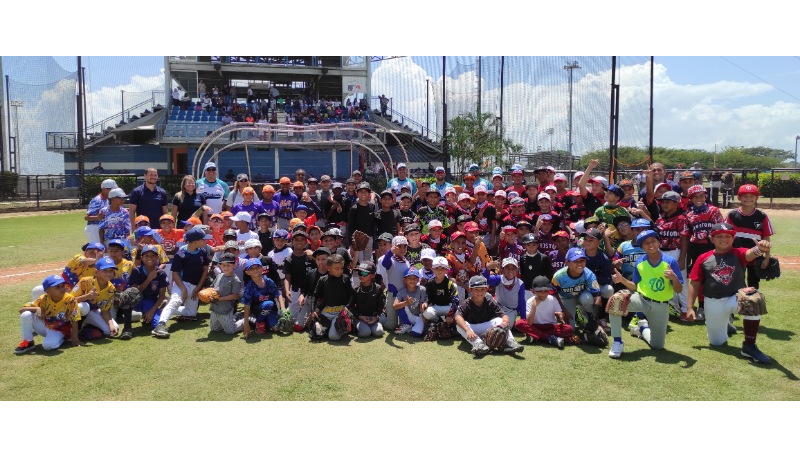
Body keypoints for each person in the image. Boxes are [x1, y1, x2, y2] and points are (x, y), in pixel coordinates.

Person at [687, 223, 773, 363]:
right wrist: (690, 307)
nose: (724, 239)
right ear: (711, 239)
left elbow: (750, 254)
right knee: (716, 342)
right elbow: (694, 283)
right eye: (719, 236)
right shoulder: (703, 258)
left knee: (753, 300)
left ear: (733, 239)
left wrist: (760, 249)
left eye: (728, 236)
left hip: (735, 298)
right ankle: (725, 322)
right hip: (713, 301)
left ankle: (749, 346)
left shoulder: (738, 253)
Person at [607, 229, 684, 358]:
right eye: (646, 243)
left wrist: (674, 278)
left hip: (661, 305)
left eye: (653, 241)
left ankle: (642, 328)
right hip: (641, 299)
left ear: (659, 242)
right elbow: (636, 286)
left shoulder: (670, 262)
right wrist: (622, 280)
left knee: (658, 346)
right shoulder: (640, 262)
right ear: (642, 246)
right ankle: (617, 342)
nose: (650, 245)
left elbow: (678, 290)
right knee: (616, 302)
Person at [152, 228, 213, 338]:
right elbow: (175, 274)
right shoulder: (181, 254)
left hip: (195, 286)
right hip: (182, 284)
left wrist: (198, 288)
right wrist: (184, 289)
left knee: (191, 313)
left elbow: (205, 270)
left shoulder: (202, 252)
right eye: (203, 240)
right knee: (175, 301)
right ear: (195, 242)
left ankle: (165, 308)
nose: (205, 242)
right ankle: (160, 325)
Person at [454, 275, 524, 357]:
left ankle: (510, 342)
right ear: (470, 290)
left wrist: (505, 322)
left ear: (487, 289)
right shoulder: (467, 303)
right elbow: (457, 317)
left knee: (500, 320)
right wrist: (468, 330)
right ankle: (479, 344)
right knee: (459, 326)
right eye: (476, 289)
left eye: (482, 289)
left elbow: (503, 315)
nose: (479, 292)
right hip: (472, 330)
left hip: (487, 329)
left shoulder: (490, 301)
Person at [15, 275, 82, 354]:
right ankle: (28, 342)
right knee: (26, 314)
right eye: (57, 287)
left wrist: (75, 339)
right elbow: (21, 310)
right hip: (44, 326)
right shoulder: (43, 298)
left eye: (63, 286)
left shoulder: (70, 299)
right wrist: (37, 308)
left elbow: (74, 320)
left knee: (47, 346)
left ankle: (62, 338)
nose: (62, 289)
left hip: (60, 330)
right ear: (47, 290)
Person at [725, 184, 774, 290]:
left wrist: (767, 257)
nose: (748, 199)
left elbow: (766, 238)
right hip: (736, 255)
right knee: (735, 282)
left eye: (751, 196)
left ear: (756, 198)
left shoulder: (762, 216)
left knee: (753, 284)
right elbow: (725, 236)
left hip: (756, 255)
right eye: (745, 196)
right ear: (739, 197)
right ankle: (735, 305)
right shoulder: (732, 215)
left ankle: (753, 305)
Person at [514, 275, 577, 348]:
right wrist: (534, 306)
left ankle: (536, 336)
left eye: (546, 291)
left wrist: (560, 316)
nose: (543, 294)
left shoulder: (552, 299)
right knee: (519, 323)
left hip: (550, 327)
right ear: (533, 291)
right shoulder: (530, 301)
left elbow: (560, 314)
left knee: (568, 328)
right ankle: (548, 338)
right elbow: (529, 323)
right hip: (535, 326)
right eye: (540, 291)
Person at [124, 245, 168, 338]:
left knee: (156, 324)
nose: (150, 258)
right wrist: (149, 279)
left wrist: (151, 311)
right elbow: (135, 292)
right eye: (146, 256)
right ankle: (127, 329)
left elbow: (161, 296)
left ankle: (150, 317)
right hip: (135, 301)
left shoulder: (161, 274)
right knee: (127, 297)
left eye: (153, 256)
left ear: (157, 257)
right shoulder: (137, 271)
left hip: (150, 302)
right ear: (142, 258)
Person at [309, 254, 355, 340]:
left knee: (333, 337)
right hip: (326, 312)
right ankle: (328, 326)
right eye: (337, 269)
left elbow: (352, 294)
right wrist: (313, 310)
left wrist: (347, 307)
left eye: (341, 268)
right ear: (328, 268)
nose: (340, 271)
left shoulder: (345, 279)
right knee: (316, 334)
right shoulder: (323, 280)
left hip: (340, 313)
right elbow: (315, 295)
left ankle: (341, 325)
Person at [73, 257, 119, 338]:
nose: (108, 273)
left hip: (93, 312)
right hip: (77, 313)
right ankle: (77, 329)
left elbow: (104, 310)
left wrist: (111, 325)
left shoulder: (111, 288)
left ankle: (87, 328)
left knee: (112, 329)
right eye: (105, 270)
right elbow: (69, 301)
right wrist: (86, 296)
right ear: (96, 272)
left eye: (111, 270)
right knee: (83, 307)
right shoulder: (85, 281)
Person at [241, 258, 285, 337]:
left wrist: (283, 309)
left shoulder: (268, 281)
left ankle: (264, 322)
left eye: (257, 267)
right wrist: (246, 324)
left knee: (277, 329)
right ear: (247, 272)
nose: (255, 270)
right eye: (251, 268)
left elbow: (278, 294)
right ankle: (259, 322)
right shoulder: (249, 286)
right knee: (268, 303)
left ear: (262, 269)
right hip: (257, 310)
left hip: (271, 309)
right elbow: (247, 306)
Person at [209, 253, 245, 335]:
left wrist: (219, 299)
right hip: (215, 308)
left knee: (230, 331)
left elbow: (235, 296)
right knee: (214, 329)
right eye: (223, 265)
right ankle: (229, 321)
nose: (225, 267)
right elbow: (212, 288)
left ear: (234, 265)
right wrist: (207, 293)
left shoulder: (235, 279)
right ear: (220, 265)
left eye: (228, 265)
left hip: (226, 309)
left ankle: (245, 320)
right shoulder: (219, 276)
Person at [350, 261, 386, 338]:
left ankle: (371, 326)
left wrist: (376, 316)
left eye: (365, 273)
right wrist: (359, 316)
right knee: (365, 333)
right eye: (359, 273)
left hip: (373, 317)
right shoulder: (355, 289)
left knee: (379, 332)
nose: (361, 276)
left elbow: (381, 305)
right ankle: (356, 327)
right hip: (360, 317)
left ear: (373, 275)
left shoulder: (378, 288)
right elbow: (351, 307)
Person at [84, 179, 117, 243]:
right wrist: (100, 217)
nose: (113, 191)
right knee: (98, 249)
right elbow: (87, 217)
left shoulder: (108, 199)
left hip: (102, 228)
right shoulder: (97, 200)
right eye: (111, 189)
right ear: (104, 189)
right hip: (94, 228)